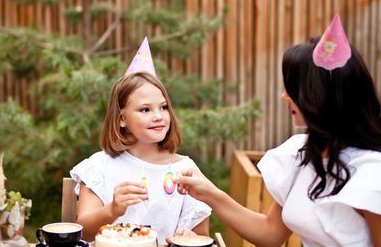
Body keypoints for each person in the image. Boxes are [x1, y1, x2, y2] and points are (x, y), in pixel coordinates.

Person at [174, 14, 381, 246]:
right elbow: (270, 233)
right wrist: (209, 193)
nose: (284, 97)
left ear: (319, 96)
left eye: (291, 89)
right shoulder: (302, 155)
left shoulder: (372, 173)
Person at [70, 37, 211, 245]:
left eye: (163, 107)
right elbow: (83, 233)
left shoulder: (185, 171)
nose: (158, 116)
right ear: (121, 119)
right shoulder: (99, 167)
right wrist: (112, 209)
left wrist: (190, 237)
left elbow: (202, 235)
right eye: (145, 109)